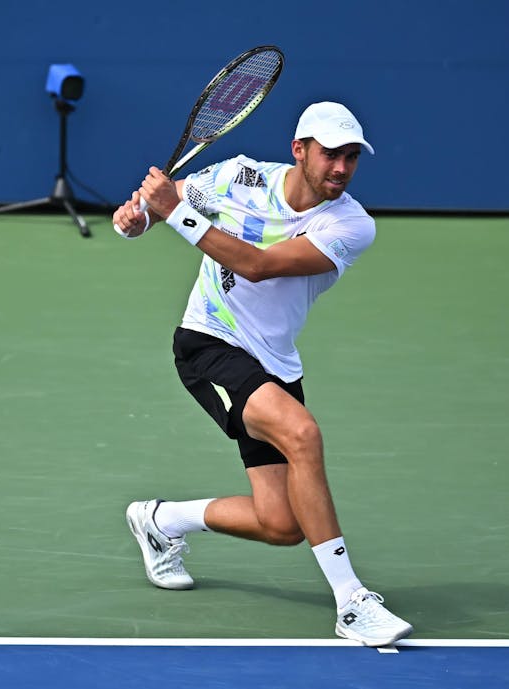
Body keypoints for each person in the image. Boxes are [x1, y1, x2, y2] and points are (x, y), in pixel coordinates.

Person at [112, 101, 413, 647]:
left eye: (351, 157)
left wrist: (170, 212)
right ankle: (351, 603)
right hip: (210, 341)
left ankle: (160, 521)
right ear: (299, 150)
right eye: (330, 154)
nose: (341, 168)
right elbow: (170, 202)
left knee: (282, 525)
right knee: (303, 433)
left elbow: (258, 266)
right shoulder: (238, 176)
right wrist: (139, 218)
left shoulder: (350, 225)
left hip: (273, 361)